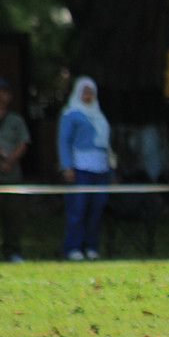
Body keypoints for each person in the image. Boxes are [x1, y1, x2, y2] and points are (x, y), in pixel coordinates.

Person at [58, 76, 113, 261]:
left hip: (101, 168)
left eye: (90, 93)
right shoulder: (70, 114)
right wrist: (67, 166)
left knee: (96, 209)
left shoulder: (99, 114)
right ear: (78, 93)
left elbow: (106, 145)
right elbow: (64, 142)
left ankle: (91, 246)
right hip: (80, 167)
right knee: (78, 209)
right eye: (84, 92)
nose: (88, 96)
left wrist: (111, 170)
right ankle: (73, 247)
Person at [0, 77, 30, 263]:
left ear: (10, 96)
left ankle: (12, 252)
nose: (0, 97)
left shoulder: (16, 120)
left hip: (12, 177)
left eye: (4, 93)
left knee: (14, 217)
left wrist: (11, 160)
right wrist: (3, 154)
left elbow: (23, 143)